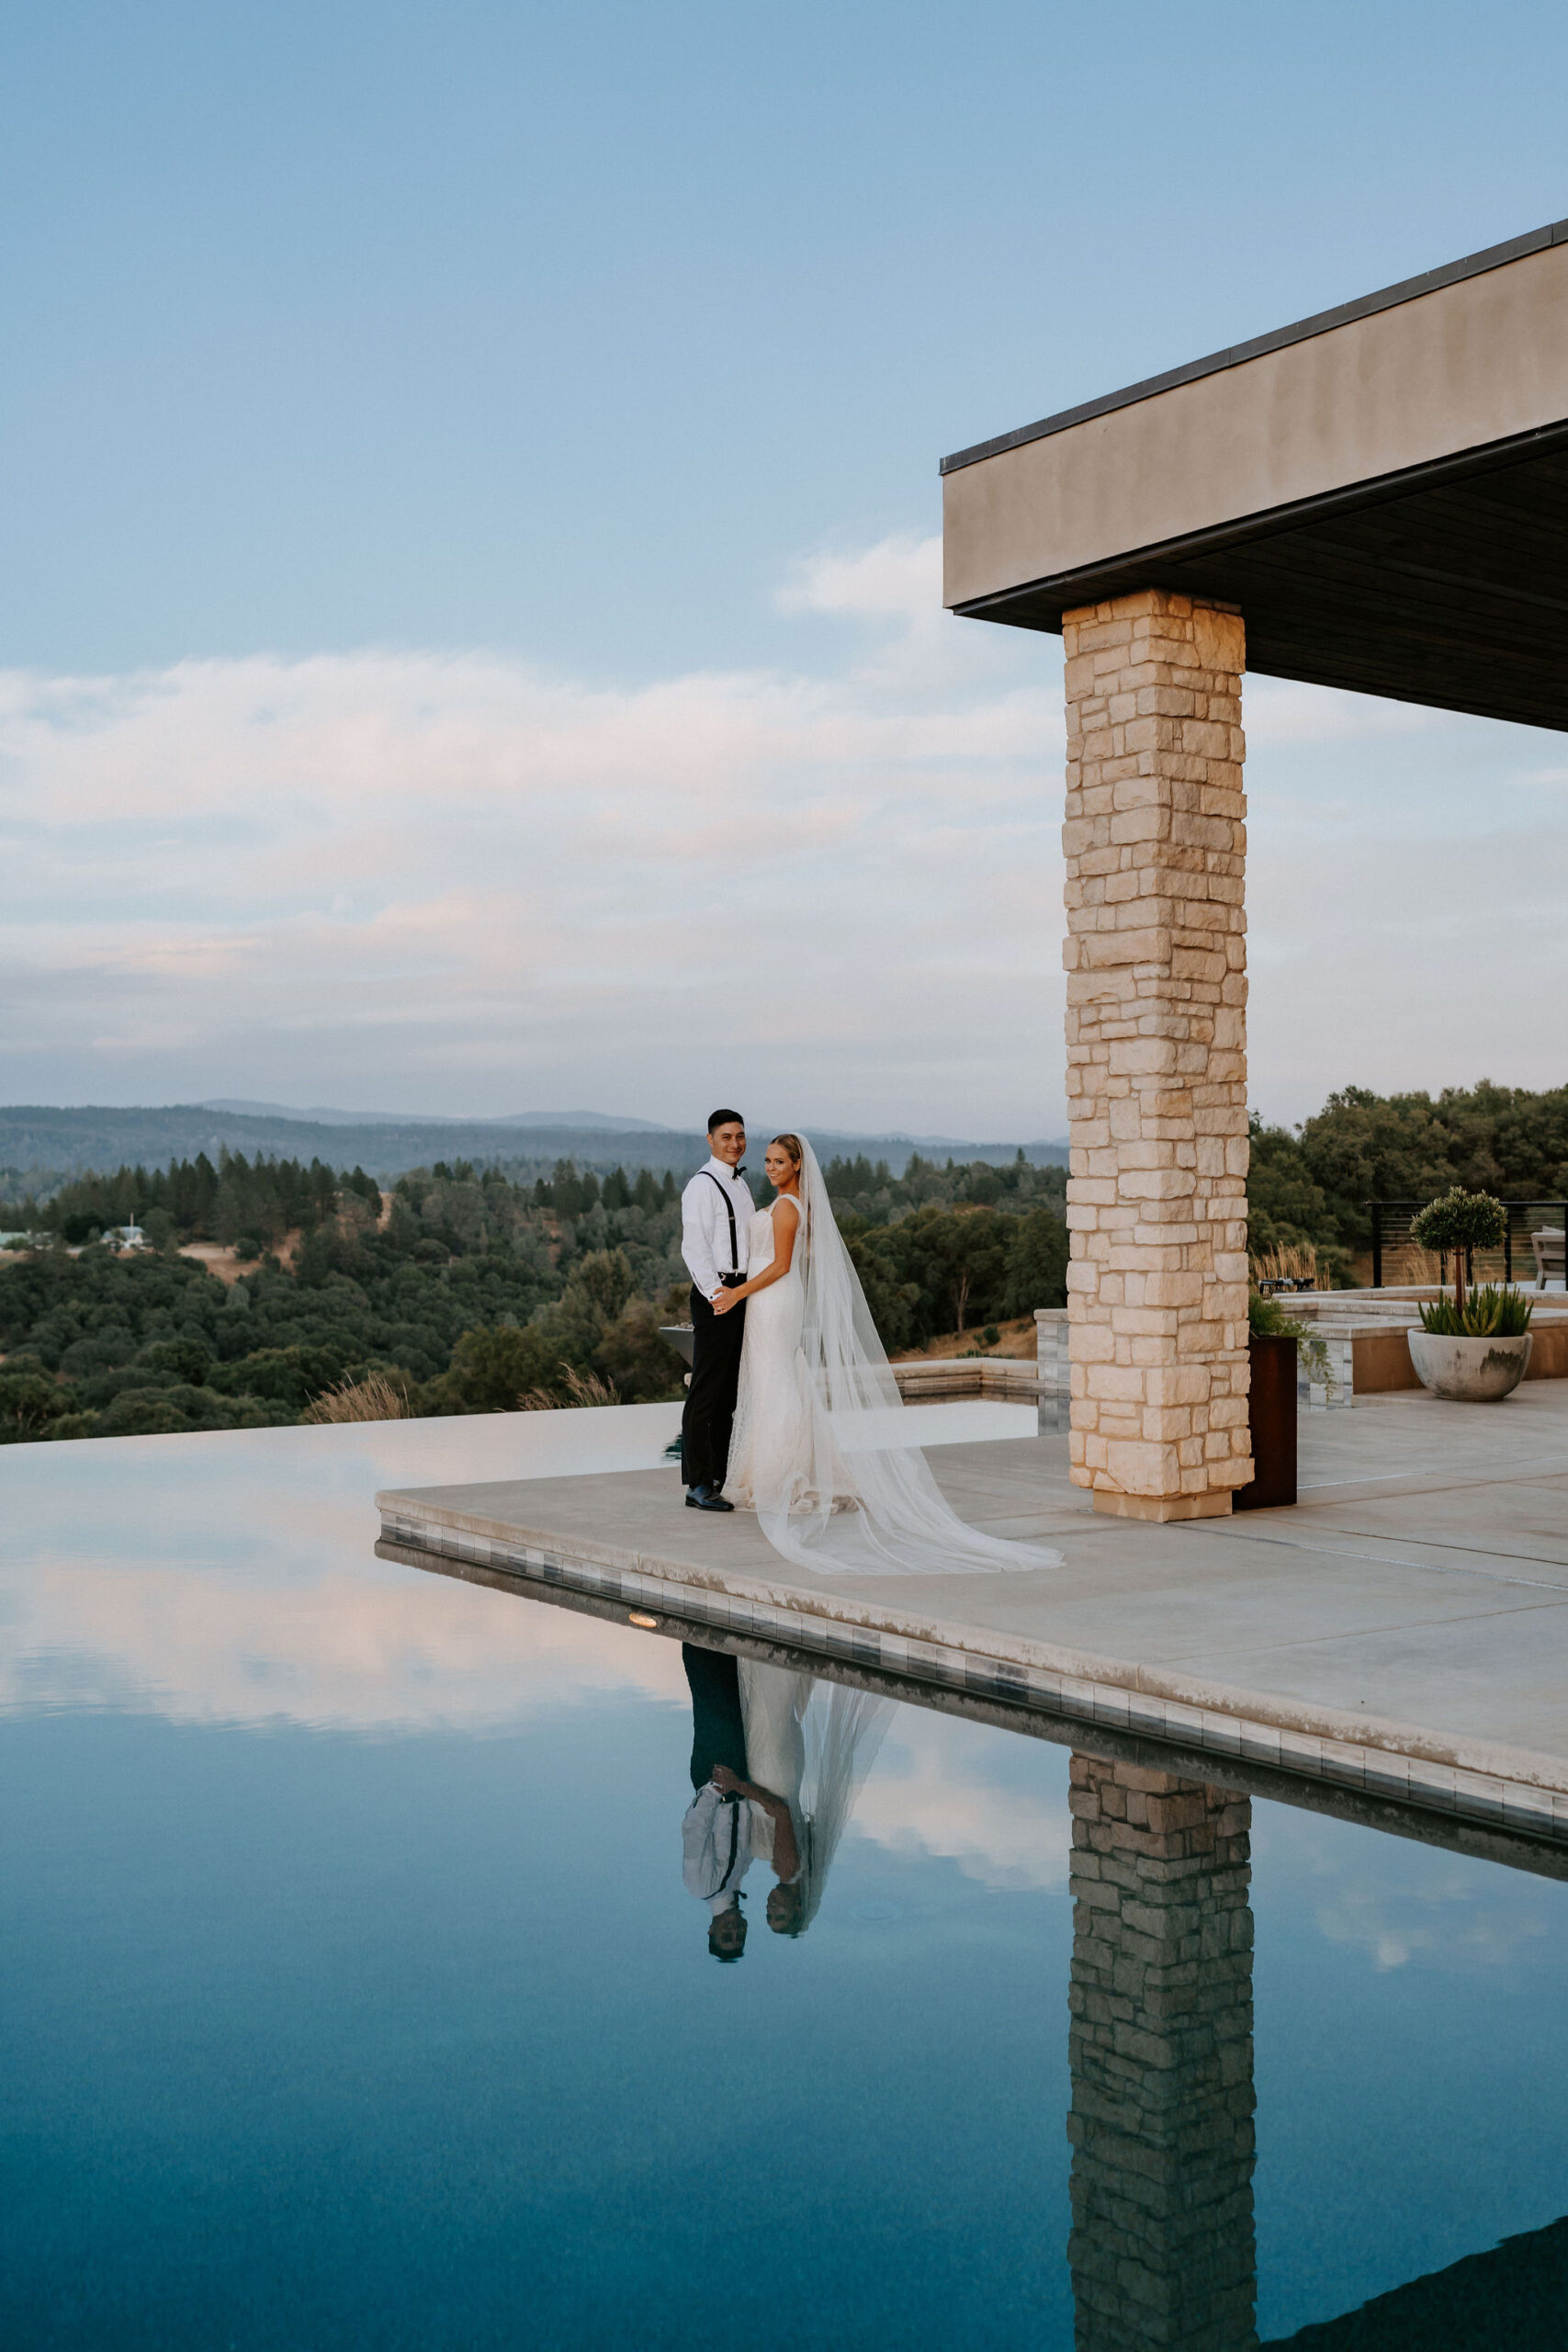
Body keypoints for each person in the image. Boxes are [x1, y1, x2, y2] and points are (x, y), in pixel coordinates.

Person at [713, 1132, 1065, 1577]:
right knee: (778, 1378)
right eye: (767, 1161)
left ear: (798, 1165)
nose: (770, 1167)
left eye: (779, 1161)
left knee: (776, 1379)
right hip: (773, 1301)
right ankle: (776, 1468)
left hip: (773, 1298)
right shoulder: (794, 1203)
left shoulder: (786, 1206)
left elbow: (781, 1265)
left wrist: (737, 1293)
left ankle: (779, 1473)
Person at [678, 1109, 754, 1511]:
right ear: (710, 1140)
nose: (735, 1143)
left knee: (728, 1393)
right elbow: (694, 1248)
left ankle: (720, 1474)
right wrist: (715, 1293)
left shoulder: (741, 1186)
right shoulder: (702, 1187)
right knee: (705, 1392)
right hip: (718, 1294)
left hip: (742, 1291)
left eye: (740, 1136)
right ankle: (697, 1484)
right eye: (726, 1137)